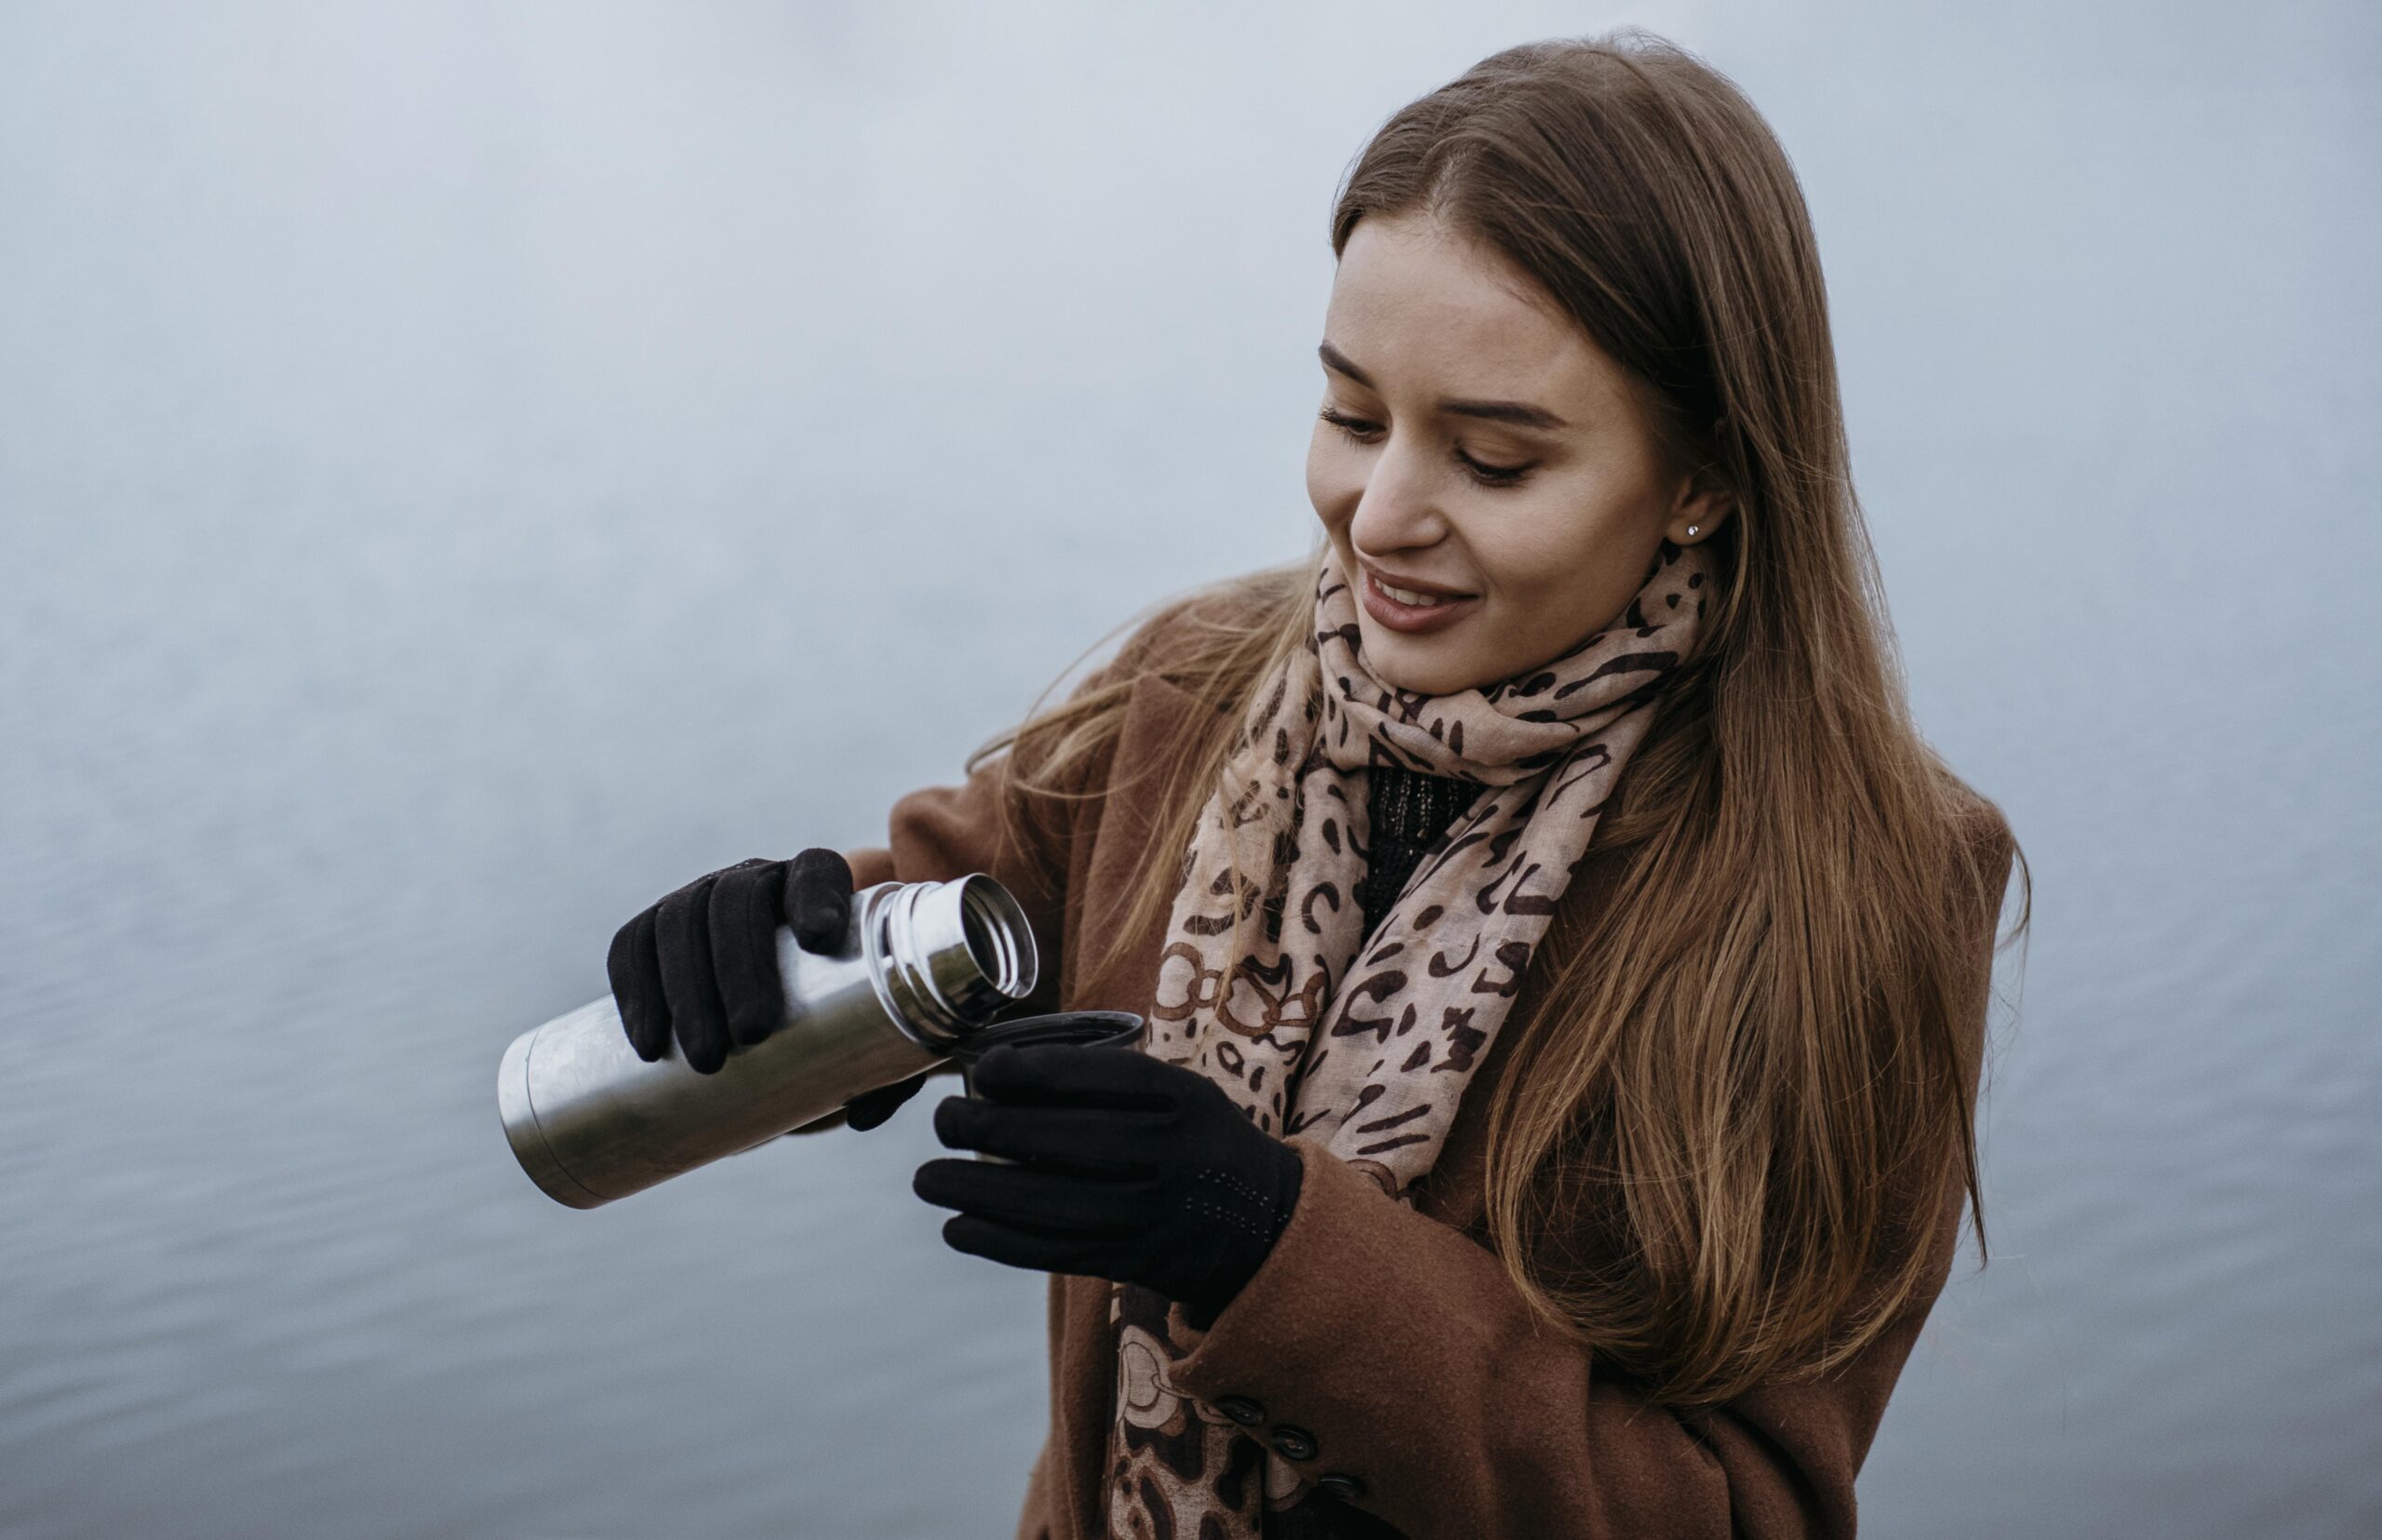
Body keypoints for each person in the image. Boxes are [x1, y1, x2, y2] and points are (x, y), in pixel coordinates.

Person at [603, 32, 2025, 1540]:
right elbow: (952, 913)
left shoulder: (1860, 884)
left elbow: (1742, 1515)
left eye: (1493, 459)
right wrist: (777, 960)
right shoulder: (1190, 693)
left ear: (1703, 481)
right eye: (1353, 416)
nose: (1380, 516)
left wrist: (1261, 1241)